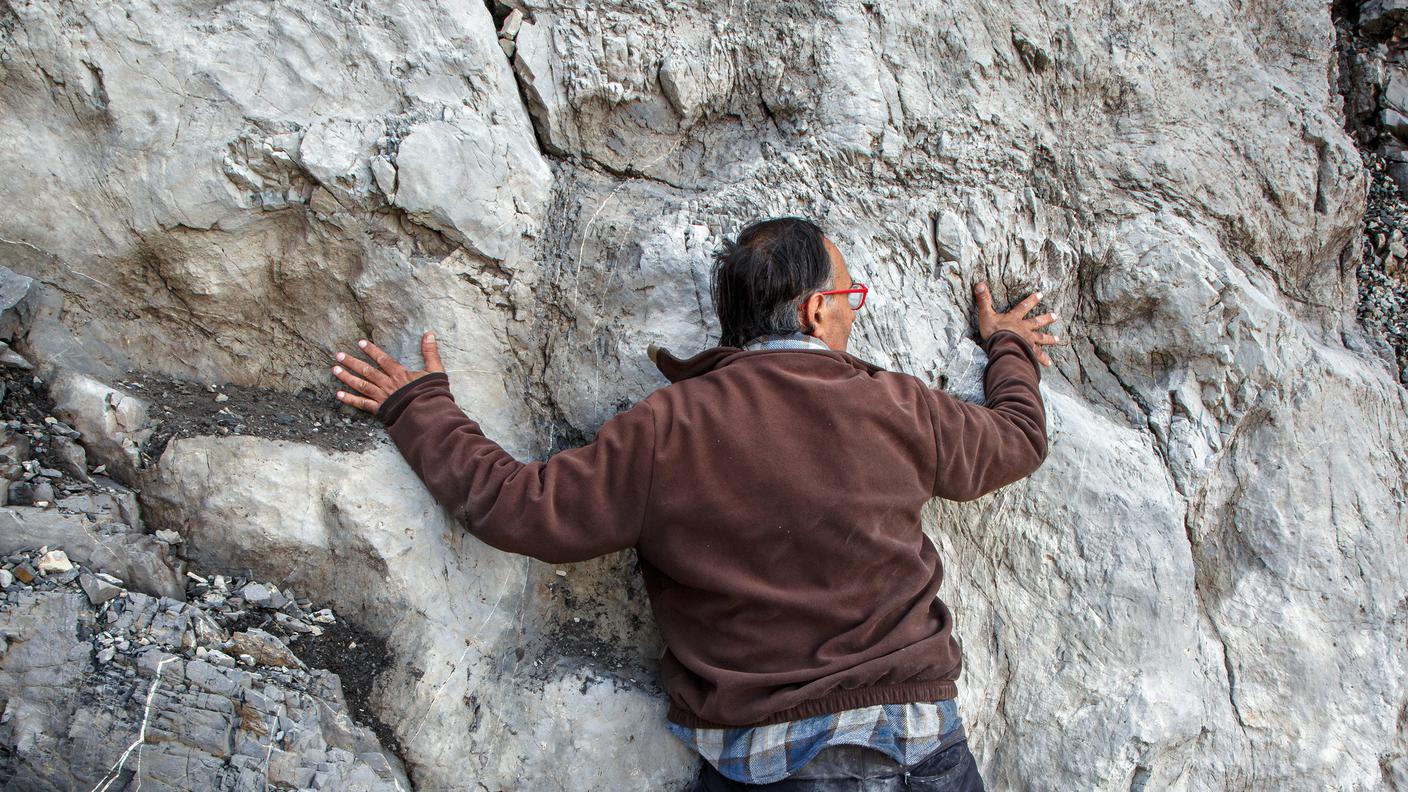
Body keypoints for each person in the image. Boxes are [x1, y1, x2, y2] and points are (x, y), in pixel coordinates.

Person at [329, 217, 1060, 790]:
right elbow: (1019, 438)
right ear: (815, 311)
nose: (851, 315)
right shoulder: (899, 405)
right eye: (849, 299)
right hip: (914, 745)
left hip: (762, 760)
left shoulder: (667, 427)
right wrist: (1009, 348)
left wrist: (419, 409)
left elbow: (518, 507)